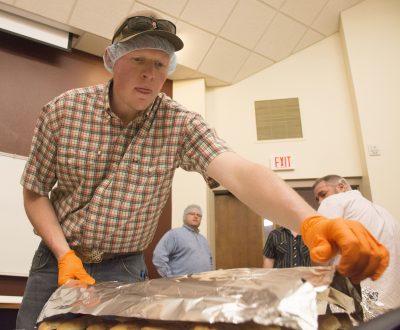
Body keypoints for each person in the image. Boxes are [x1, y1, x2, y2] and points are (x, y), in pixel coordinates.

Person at [16, 9, 388, 329]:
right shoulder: (64, 111)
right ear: (113, 60)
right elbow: (35, 192)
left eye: (159, 65)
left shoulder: (179, 123)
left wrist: (310, 221)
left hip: (124, 269)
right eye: (138, 60)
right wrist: (64, 253)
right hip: (56, 262)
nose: (149, 74)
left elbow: (238, 172)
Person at [313, 175, 400, 310]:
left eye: (323, 194)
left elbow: (322, 253)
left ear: (341, 187)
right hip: (392, 301)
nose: (320, 201)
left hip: (362, 298)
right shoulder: (383, 212)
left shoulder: (333, 202)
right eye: (318, 199)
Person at [152, 205, 212, 277]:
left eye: (199, 215)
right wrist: (170, 278)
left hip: (205, 284)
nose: (196, 216)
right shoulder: (174, 234)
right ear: (184, 216)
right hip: (182, 286)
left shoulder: (203, 240)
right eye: (192, 214)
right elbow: (159, 257)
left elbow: (210, 261)